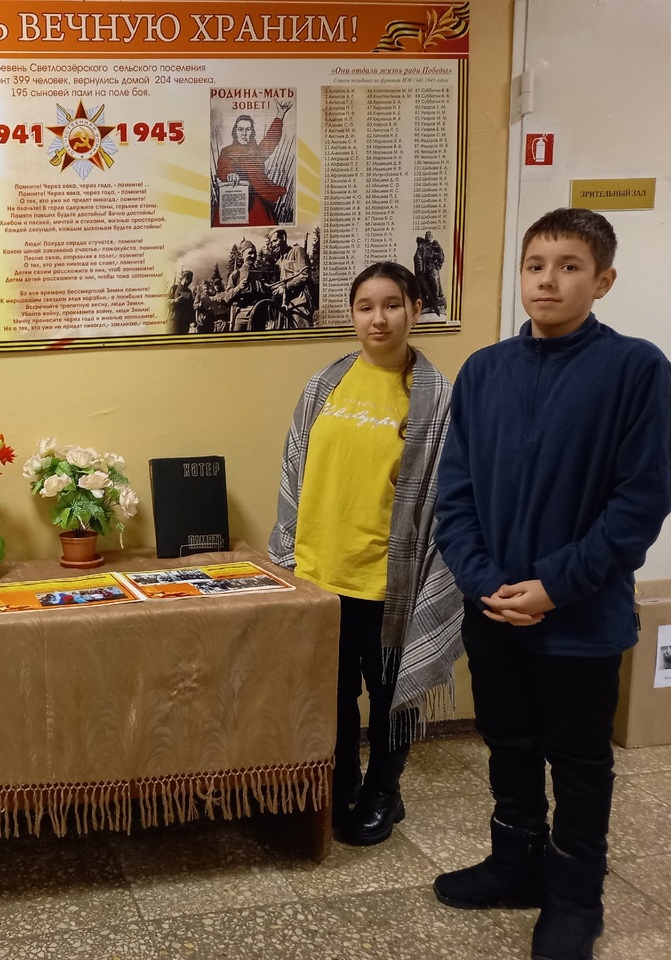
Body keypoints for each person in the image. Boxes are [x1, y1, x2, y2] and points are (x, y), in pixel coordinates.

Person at [433, 208, 671, 960]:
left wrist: (554, 587)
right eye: (536, 264)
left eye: (570, 266)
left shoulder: (635, 369)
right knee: (507, 742)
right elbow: (454, 494)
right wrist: (485, 582)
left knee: (578, 761)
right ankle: (515, 864)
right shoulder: (484, 371)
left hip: (581, 618)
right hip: (493, 609)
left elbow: (639, 501)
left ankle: (573, 898)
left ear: (603, 280)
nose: (548, 280)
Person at [269, 261, 462, 846]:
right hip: (320, 571)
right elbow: (295, 470)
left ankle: (384, 792)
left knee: (388, 696)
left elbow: (443, 497)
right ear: (352, 315)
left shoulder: (436, 399)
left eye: (392, 305)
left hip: (387, 580)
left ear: (416, 310)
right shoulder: (325, 385)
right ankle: (342, 781)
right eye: (365, 307)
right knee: (332, 691)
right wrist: (288, 556)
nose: (379, 319)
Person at [214, 101, 292, 226]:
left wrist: (280, 114)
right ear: (235, 131)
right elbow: (223, 167)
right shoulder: (227, 151)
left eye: (248, 129)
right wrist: (229, 175)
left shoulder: (257, 152)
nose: (244, 133)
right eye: (240, 129)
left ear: (252, 132)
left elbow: (271, 139)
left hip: (257, 202)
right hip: (235, 200)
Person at [265, 229, 315, 328]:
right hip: (285, 305)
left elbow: (305, 274)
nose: (273, 245)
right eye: (271, 242)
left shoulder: (297, 251)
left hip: (299, 303)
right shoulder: (279, 262)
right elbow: (282, 281)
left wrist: (285, 287)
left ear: (283, 238)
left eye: (275, 241)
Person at [414, 231, 446, 317]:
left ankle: (436, 298)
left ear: (431, 237)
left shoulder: (435, 246)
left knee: (434, 279)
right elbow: (418, 256)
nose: (428, 236)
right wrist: (420, 267)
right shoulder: (422, 246)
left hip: (433, 266)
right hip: (425, 268)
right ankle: (427, 301)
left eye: (429, 235)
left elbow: (441, 256)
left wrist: (437, 256)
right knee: (424, 285)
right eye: (426, 235)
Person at [168, 269, 195, 334]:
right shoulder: (174, 288)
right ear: (185, 277)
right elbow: (164, 301)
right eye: (190, 279)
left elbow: (191, 307)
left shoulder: (189, 291)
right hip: (174, 320)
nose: (191, 282)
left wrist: (193, 320)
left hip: (185, 322)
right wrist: (174, 301)